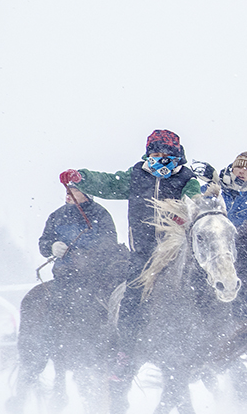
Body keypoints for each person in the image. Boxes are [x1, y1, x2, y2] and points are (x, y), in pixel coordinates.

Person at [60, 129, 202, 377]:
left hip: (174, 251)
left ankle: (205, 341)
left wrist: (184, 213)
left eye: (166, 154)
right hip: (143, 252)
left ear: (177, 155)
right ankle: (125, 351)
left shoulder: (186, 179)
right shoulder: (137, 175)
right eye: (155, 153)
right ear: (148, 154)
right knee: (132, 297)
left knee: (198, 287)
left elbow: (194, 202)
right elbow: (109, 183)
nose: (161, 158)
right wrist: (82, 178)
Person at [38, 180, 119, 281]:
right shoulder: (56, 216)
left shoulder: (100, 214)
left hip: (97, 275)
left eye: (74, 190)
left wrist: (88, 255)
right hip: (64, 274)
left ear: (86, 194)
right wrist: (52, 247)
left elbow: (110, 242)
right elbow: (43, 244)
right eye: (68, 190)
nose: (68, 193)